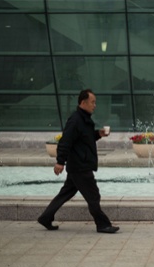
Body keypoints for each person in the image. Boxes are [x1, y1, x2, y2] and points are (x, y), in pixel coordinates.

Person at [37, 89, 119, 234]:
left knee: (65, 193)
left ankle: (45, 217)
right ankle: (103, 224)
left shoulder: (84, 119)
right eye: (92, 102)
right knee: (93, 195)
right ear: (83, 102)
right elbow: (65, 141)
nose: (95, 105)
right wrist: (60, 162)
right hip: (80, 166)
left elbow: (84, 139)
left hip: (79, 165)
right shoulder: (75, 120)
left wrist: (98, 134)